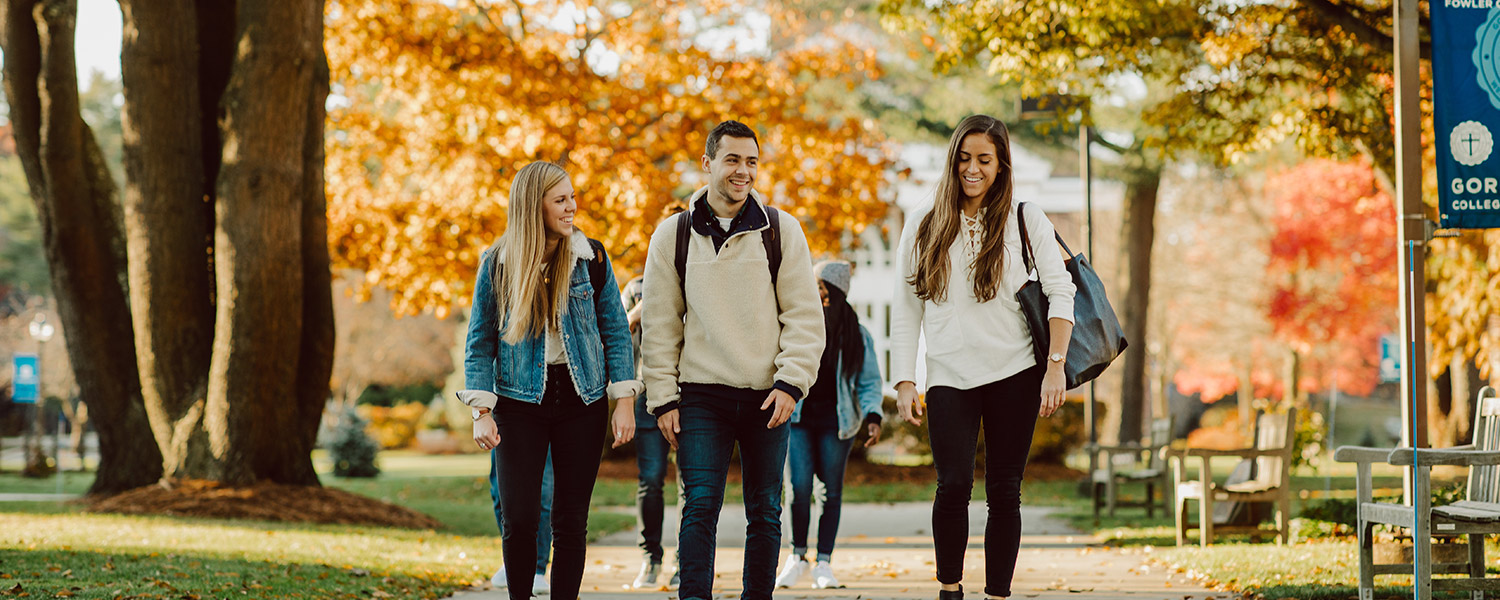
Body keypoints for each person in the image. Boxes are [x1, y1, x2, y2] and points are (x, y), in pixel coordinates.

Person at [889, 115, 1076, 600]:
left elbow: (1061, 291)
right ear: (953, 161)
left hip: (1016, 372)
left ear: (1000, 164)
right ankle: (950, 589)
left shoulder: (1024, 216)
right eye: (965, 158)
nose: (972, 169)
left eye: (984, 160)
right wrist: (905, 379)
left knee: (1004, 492)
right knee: (952, 486)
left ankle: (997, 595)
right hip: (949, 373)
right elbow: (907, 307)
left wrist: (1055, 366)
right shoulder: (924, 220)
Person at [640, 120, 826, 600]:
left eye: (751, 162)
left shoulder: (781, 231)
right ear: (707, 164)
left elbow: (804, 317)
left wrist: (790, 384)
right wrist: (662, 400)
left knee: (765, 511)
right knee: (699, 506)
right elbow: (660, 325)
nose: (743, 172)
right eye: (732, 160)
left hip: (770, 397)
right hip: (701, 395)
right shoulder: (672, 236)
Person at [459, 160, 642, 600]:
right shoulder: (498, 264)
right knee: (519, 518)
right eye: (560, 200)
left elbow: (616, 331)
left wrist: (623, 399)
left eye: (572, 198)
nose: (572, 207)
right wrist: (481, 411)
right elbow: (480, 341)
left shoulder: (591, 258)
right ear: (532, 206)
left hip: (582, 401)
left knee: (570, 520)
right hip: (519, 403)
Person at [775, 259, 885, 590]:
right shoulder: (799, 324)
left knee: (830, 492)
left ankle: (824, 562)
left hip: (837, 424)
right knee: (799, 489)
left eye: (820, 285)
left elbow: (869, 381)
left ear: (833, 290)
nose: (814, 290)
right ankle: (796, 557)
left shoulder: (856, 334)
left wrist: (873, 415)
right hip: (798, 420)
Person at [621, 276, 681, 590]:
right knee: (651, 477)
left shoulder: (692, 276)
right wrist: (638, 311)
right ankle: (651, 558)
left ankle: (687, 560)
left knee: (692, 484)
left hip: (691, 393)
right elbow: (616, 338)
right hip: (648, 395)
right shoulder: (635, 289)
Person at [489, 452, 554, 595]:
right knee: (500, 492)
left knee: (542, 492)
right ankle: (515, 560)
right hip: (503, 430)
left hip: (544, 431)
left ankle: (538, 568)